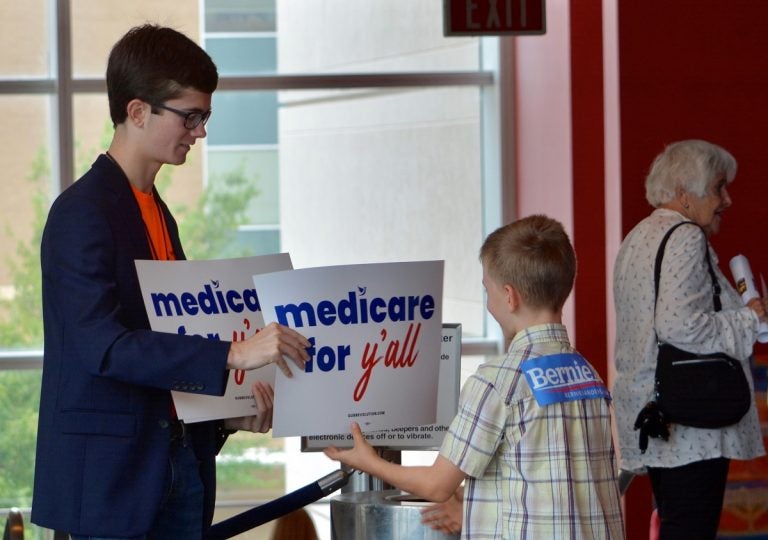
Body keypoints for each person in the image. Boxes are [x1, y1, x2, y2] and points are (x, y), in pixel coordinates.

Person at [31, 24, 311, 539]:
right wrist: (232, 353)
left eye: (204, 116)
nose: (200, 131)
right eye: (191, 115)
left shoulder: (157, 213)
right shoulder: (81, 213)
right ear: (138, 112)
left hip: (175, 469)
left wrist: (225, 417)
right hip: (114, 487)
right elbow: (103, 347)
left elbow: (162, 345)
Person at [325, 214, 625, 539]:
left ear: (509, 296)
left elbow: (436, 485)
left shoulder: (497, 380)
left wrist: (369, 461)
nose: (489, 302)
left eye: (487, 289)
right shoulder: (588, 375)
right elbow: (550, 476)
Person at [612, 139, 767, 539]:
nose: (727, 200)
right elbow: (681, 326)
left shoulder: (638, 238)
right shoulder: (685, 237)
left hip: (658, 413)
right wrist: (748, 320)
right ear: (684, 193)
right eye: (718, 188)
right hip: (691, 419)